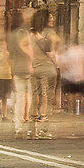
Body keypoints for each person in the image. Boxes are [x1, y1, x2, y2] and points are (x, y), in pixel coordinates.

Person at [20, 9, 57, 139]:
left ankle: (31, 130)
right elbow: (51, 54)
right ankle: (43, 130)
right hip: (47, 69)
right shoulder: (48, 34)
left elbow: (22, 45)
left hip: (34, 68)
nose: (52, 19)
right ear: (44, 20)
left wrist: (31, 57)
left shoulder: (30, 34)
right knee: (46, 98)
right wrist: (56, 63)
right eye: (50, 17)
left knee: (35, 97)